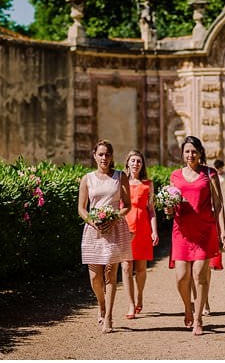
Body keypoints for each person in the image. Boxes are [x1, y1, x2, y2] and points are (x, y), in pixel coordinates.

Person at [165, 136, 225, 336]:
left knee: (200, 275)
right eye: (187, 151)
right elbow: (170, 206)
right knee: (181, 277)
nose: (190, 155)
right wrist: (167, 209)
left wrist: (223, 230)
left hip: (204, 230)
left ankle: (198, 318)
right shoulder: (174, 175)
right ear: (182, 154)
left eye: (194, 151)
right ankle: (187, 307)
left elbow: (218, 204)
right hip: (181, 231)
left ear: (200, 153)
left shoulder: (209, 174)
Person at [77, 139, 132, 333]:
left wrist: (114, 218)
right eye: (100, 154)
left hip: (114, 228)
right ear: (94, 156)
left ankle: (108, 316)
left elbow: (127, 204)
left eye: (107, 154)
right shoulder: (87, 179)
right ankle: (101, 304)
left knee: (110, 274)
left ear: (111, 156)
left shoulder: (120, 176)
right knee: (95, 278)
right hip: (94, 231)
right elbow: (82, 209)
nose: (104, 158)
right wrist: (93, 221)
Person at [122, 150, 158, 320]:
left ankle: (140, 296)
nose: (136, 164)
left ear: (142, 165)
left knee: (141, 268)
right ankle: (130, 303)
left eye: (139, 161)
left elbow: (151, 210)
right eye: (133, 161)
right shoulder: (121, 183)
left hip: (143, 228)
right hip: (125, 228)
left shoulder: (148, 184)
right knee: (126, 267)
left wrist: (154, 231)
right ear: (127, 163)